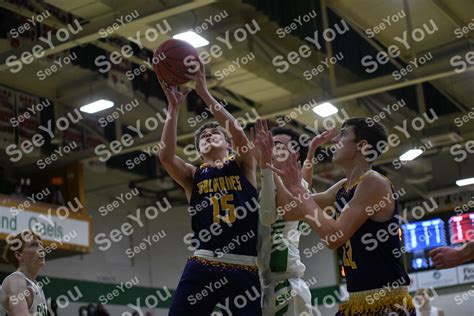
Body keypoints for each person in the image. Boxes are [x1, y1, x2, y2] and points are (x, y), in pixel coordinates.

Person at [266, 117, 415, 315]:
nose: (335, 139)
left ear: (362, 145)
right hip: (356, 300)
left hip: (387, 303)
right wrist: (272, 167)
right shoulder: (342, 188)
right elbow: (289, 211)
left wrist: (296, 188)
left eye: (343, 134)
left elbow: (334, 237)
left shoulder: (373, 183)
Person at [158, 61, 261, 315]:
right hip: (204, 260)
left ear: (227, 143)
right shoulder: (194, 175)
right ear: (197, 150)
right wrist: (173, 109)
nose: (207, 136)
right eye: (202, 137)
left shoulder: (243, 164)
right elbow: (166, 157)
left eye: (215, 134)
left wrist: (204, 93)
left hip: (243, 263)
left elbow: (239, 134)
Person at [252, 120, 334, 315]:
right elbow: (306, 178)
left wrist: (268, 166)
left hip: (285, 283)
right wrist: (313, 148)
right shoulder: (281, 185)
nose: (271, 148)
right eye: (271, 144)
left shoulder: (285, 188)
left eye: (278, 145)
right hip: (271, 283)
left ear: (293, 154)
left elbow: (268, 217)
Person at [0, 230, 48, 316]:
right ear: (19, 255)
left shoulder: (36, 286)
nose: (42, 249)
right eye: (34, 245)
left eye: (41, 245)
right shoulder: (16, 281)